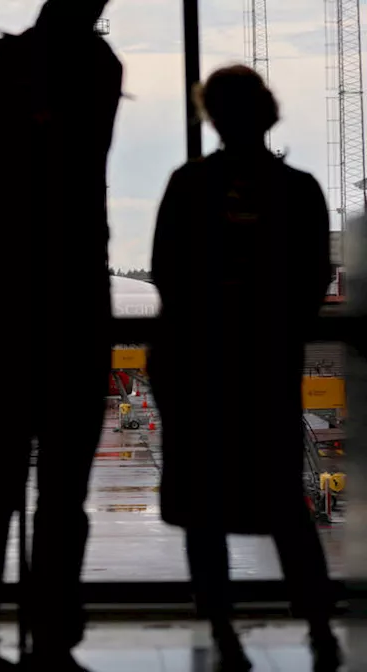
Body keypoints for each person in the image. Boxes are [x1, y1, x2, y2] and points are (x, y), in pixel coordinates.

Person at [149, 65, 342, 672]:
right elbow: (310, 281)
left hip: (196, 367)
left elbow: (169, 272)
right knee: (285, 505)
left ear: (211, 115)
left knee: (203, 512)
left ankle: (224, 634)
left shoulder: (188, 185)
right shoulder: (300, 189)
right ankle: (318, 629)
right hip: (265, 365)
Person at [0, 1, 122, 669]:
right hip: (75, 295)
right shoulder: (100, 68)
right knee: (63, 490)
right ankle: (52, 633)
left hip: (5, 295)